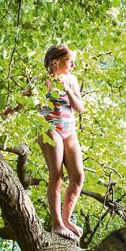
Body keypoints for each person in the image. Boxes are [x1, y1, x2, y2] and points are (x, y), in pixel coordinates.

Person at [39, 44, 86, 241]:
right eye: (69, 60)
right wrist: (3, 115)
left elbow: (80, 108)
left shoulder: (71, 80)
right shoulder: (42, 81)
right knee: (57, 176)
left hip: (69, 131)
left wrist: (68, 90)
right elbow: (21, 101)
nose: (73, 64)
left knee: (77, 177)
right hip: (49, 129)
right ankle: (57, 224)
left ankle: (67, 219)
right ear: (55, 62)